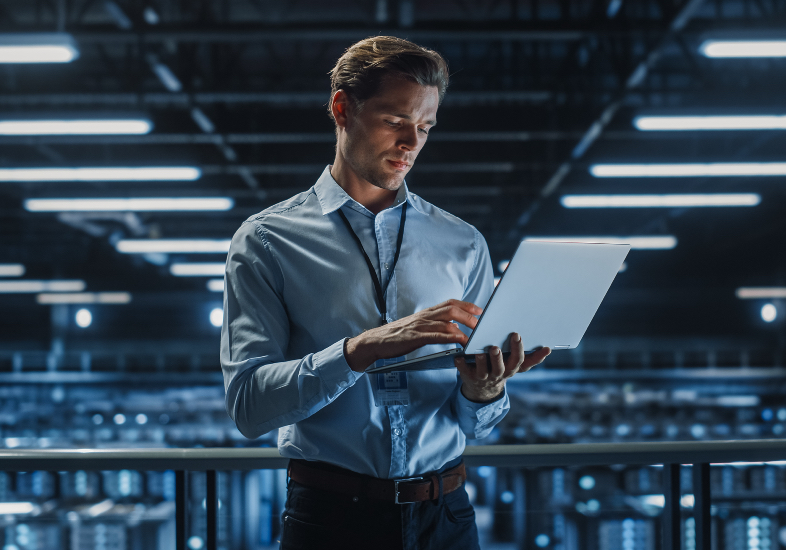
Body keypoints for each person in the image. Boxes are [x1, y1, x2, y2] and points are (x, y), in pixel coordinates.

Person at [220, 36, 551, 550]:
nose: (411, 143)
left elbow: (478, 422)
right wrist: (362, 349)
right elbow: (249, 406)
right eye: (395, 121)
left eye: (425, 127)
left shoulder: (462, 243)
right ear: (341, 108)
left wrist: (485, 389)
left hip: (447, 517)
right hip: (330, 521)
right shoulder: (267, 241)